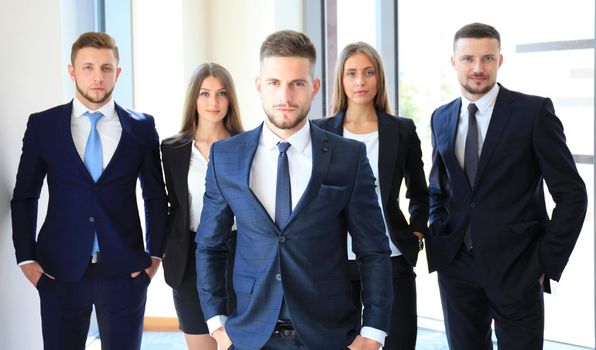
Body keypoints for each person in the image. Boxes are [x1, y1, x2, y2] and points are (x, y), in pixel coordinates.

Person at [195, 30, 393, 350]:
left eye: (297, 83)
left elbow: (374, 250)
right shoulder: (226, 156)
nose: (285, 97)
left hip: (328, 334)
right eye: (274, 83)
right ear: (259, 86)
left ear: (314, 88)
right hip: (249, 334)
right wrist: (217, 323)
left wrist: (372, 332)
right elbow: (209, 246)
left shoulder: (348, 157)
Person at [427, 22, 588, 349]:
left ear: (499, 61)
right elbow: (439, 188)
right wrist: (437, 229)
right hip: (457, 269)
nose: (477, 68)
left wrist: (545, 263)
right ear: (453, 62)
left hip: (518, 268)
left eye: (487, 58)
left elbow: (572, 194)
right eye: (468, 58)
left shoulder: (533, 112)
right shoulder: (440, 117)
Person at [11, 32, 167, 350]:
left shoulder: (141, 127)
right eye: (88, 67)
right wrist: (26, 259)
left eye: (106, 68)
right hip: (58, 273)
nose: (98, 77)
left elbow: (155, 196)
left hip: (125, 273)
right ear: (72, 71)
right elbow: (26, 195)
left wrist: (154, 257)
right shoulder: (44, 125)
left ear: (117, 73)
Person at [314, 42, 428, 350]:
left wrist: (416, 233)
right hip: (336, 260)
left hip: (391, 258)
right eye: (351, 74)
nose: (360, 82)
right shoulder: (320, 132)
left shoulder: (402, 130)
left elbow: (420, 192)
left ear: (379, 78)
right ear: (341, 79)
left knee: (399, 341)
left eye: (368, 73)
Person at [161, 62, 243, 350]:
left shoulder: (247, 145)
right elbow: (172, 207)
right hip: (190, 260)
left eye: (221, 94)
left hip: (238, 256)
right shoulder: (172, 149)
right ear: (194, 99)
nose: (213, 102)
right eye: (205, 94)